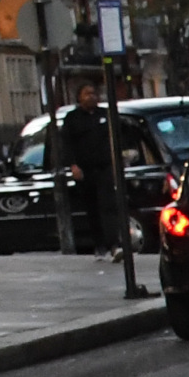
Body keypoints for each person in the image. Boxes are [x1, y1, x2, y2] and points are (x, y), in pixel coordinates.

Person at [61, 81, 122, 257]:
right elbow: (67, 144)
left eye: (94, 93)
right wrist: (73, 165)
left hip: (104, 167)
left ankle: (114, 244)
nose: (92, 97)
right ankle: (99, 244)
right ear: (79, 97)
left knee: (108, 205)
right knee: (92, 207)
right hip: (85, 170)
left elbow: (116, 138)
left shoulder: (106, 115)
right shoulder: (72, 118)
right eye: (87, 94)